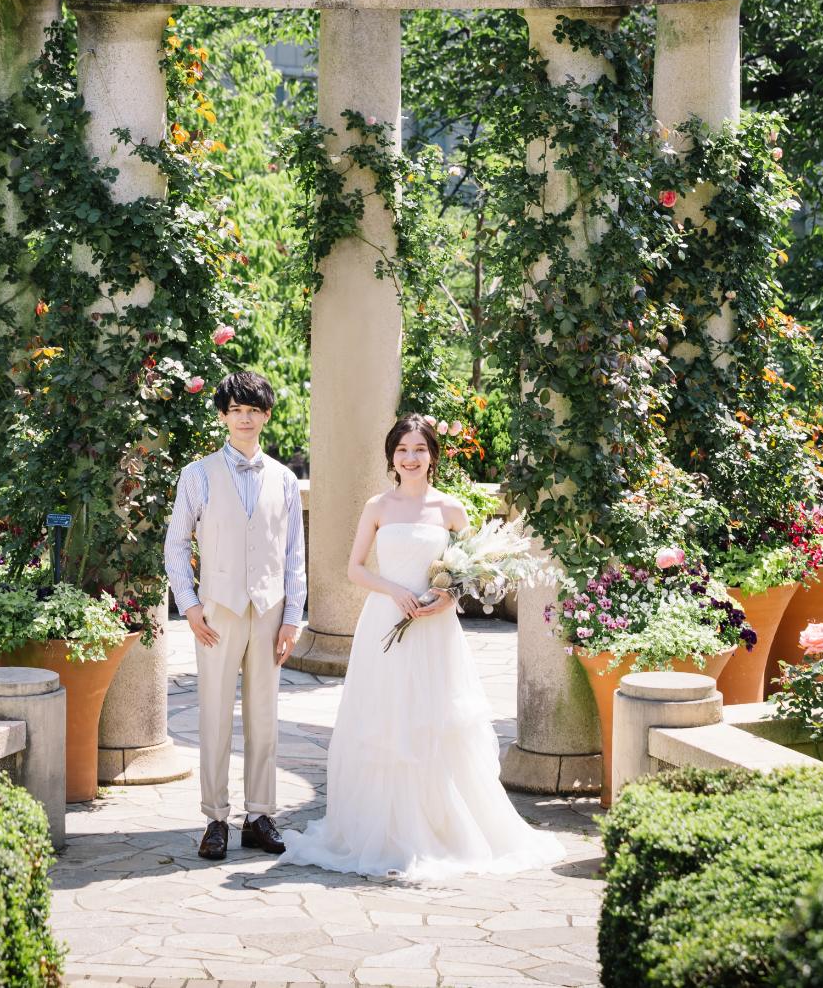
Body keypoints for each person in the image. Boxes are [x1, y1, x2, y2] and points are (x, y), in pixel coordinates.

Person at [283, 414, 565, 880]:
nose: (410, 458)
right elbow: (354, 568)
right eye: (402, 450)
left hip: (434, 630)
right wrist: (393, 590)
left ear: (433, 455)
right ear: (391, 457)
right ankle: (384, 830)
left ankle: (438, 827)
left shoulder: (451, 509)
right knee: (385, 718)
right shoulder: (378, 505)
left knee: (434, 718)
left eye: (419, 449)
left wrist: (448, 596)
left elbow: (472, 570)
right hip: (385, 624)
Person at [163, 370, 306, 861]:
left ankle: (260, 815)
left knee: (265, 715)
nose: (244, 419)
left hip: (269, 612)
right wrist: (190, 604)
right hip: (217, 612)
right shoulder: (197, 475)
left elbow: (294, 555)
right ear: (223, 415)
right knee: (215, 715)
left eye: (253, 410)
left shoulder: (285, 480)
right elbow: (177, 544)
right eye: (236, 410)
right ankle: (216, 818)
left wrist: (293, 617)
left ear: (266, 415)